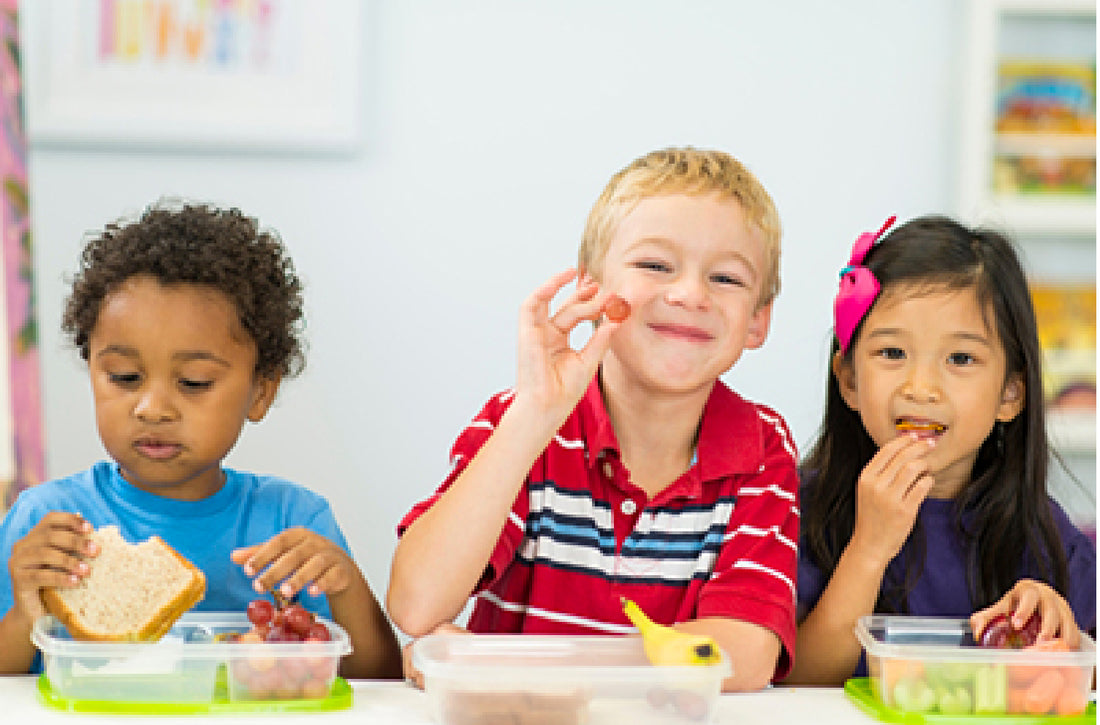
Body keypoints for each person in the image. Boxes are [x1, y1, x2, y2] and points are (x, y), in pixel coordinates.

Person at [387, 147, 800, 692]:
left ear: (757, 321)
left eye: (725, 278)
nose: (690, 294)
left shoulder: (762, 447)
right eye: (655, 266)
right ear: (593, 291)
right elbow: (416, 605)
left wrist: (508, 664)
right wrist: (533, 416)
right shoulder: (520, 422)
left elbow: (745, 651)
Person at [0, 202, 402, 678]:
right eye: (125, 377)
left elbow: (379, 682)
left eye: (193, 383)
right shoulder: (47, 520)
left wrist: (346, 587)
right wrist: (27, 609)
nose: (152, 407)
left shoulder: (292, 518)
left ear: (261, 391)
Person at [785, 215, 1096, 686]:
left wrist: (1055, 638)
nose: (922, 387)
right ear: (848, 380)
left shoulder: (1044, 539)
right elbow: (800, 680)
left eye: (960, 359)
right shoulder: (797, 511)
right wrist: (869, 549)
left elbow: (1076, 689)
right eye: (892, 353)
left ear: (1010, 395)